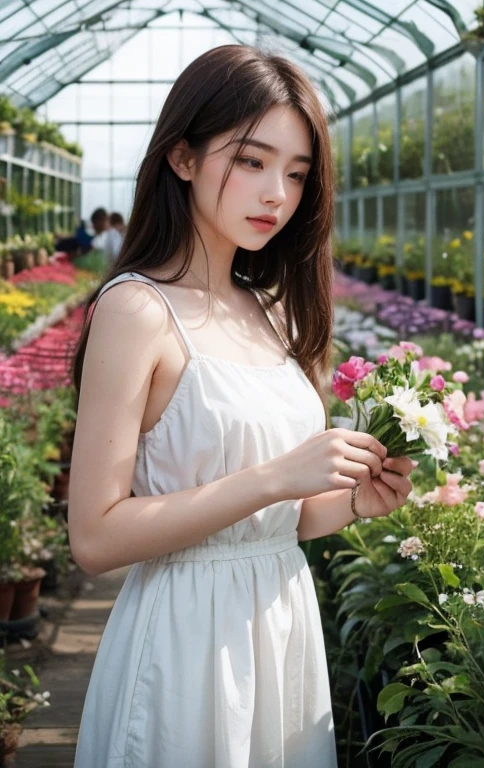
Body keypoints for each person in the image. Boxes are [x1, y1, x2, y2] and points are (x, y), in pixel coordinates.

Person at [68, 45, 414, 768]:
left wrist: (354, 501)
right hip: (186, 640)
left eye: (296, 173)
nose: (277, 195)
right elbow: (94, 538)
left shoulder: (271, 309)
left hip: (281, 622)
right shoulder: (138, 308)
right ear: (184, 158)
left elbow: (284, 518)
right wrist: (274, 477)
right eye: (252, 161)